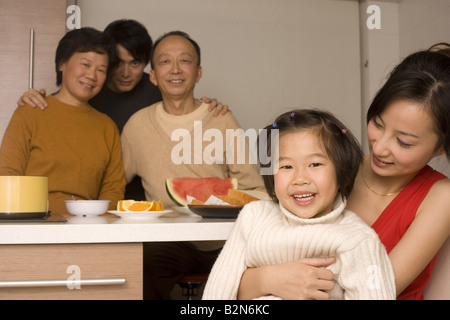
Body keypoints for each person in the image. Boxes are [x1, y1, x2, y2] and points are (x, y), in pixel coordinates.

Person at [237, 50, 450, 300]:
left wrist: (278, 280)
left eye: (403, 142)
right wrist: (267, 278)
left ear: (440, 147)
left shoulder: (441, 196)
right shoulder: (332, 170)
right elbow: (239, 283)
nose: (379, 148)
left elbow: (376, 290)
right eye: (378, 124)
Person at [121, 30, 265, 299]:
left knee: (262, 280)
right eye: (165, 62)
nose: (175, 69)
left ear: (198, 73)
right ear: (153, 76)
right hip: (168, 243)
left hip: (226, 242)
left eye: (184, 61)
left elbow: (252, 189)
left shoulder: (221, 119)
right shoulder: (136, 126)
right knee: (137, 270)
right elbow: (113, 183)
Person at [17, 19, 229, 200]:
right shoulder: (88, 90)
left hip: (151, 199)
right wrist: (34, 101)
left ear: (148, 66)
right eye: (117, 63)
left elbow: (186, 106)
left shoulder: (158, 89)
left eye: (135, 63)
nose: (126, 73)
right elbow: (63, 109)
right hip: (94, 197)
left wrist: (210, 107)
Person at [203, 109, 396, 300]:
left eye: (315, 164)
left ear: (341, 172)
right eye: (286, 166)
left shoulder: (357, 240)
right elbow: (218, 290)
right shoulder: (254, 217)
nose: (300, 179)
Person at [0, 27, 125, 214]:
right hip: (32, 224)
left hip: (86, 228)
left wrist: (97, 230)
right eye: (85, 64)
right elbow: (7, 175)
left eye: (101, 70)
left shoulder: (107, 127)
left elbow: (113, 192)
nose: (92, 76)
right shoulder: (30, 112)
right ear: (62, 63)